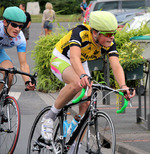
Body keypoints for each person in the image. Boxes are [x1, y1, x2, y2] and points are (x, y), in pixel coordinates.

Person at [41, 11, 135, 142]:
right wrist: (82, 75)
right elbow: (74, 57)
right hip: (62, 58)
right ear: (95, 32)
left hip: (81, 61)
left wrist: (123, 86)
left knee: (87, 103)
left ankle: (74, 142)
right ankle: (49, 117)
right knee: (77, 83)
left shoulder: (109, 42)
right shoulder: (80, 32)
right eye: (108, 34)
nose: (112, 37)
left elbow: (116, 65)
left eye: (114, 33)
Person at [0, 6, 35, 91]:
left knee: (10, 73)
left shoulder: (20, 38)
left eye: (20, 26)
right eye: (14, 25)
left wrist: (27, 81)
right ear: (5, 22)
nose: (17, 29)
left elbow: (23, 64)